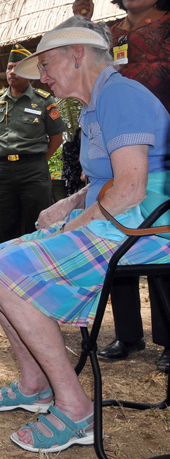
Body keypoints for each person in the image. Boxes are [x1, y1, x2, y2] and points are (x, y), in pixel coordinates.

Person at [0, 16, 170, 453]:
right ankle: (34, 383)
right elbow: (109, 180)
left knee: (4, 270)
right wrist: (69, 204)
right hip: (124, 219)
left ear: (77, 55)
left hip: (147, 228)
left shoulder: (120, 95)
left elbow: (132, 188)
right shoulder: (99, 103)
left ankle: (76, 407)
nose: (42, 78)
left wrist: (77, 222)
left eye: (46, 66)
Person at [73, 0, 170, 372]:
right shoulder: (112, 31)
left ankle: (168, 338)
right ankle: (128, 334)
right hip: (117, 139)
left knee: (161, 246)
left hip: (159, 142)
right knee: (113, 233)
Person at [0, 44, 65, 243]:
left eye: (17, 67)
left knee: (38, 223)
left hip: (33, 170)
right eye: (9, 67)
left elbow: (56, 137)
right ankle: (10, 270)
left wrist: (38, 159)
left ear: (29, 73)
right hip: (4, 170)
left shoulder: (43, 101)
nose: (11, 72)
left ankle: (39, 269)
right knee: (6, 225)